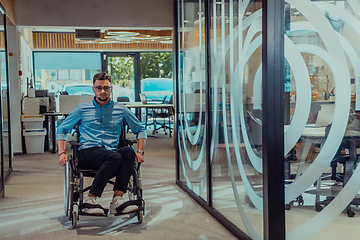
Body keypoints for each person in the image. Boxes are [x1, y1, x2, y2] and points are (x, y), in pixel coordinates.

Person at [57, 72, 147, 215]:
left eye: (106, 88)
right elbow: (62, 129)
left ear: (111, 89)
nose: (103, 91)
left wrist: (140, 151)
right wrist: (62, 153)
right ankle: (90, 199)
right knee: (115, 157)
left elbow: (140, 129)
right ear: (93, 89)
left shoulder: (121, 109)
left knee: (128, 152)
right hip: (88, 153)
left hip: (111, 154)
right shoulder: (82, 108)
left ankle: (117, 200)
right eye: (99, 88)